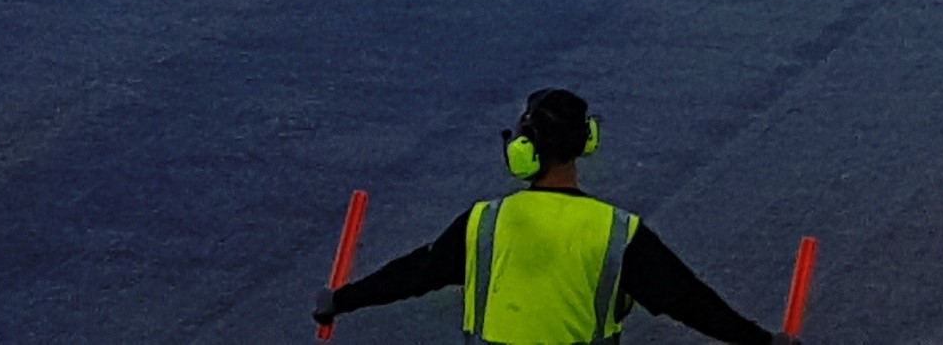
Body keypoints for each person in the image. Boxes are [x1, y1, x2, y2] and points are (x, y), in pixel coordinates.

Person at [319, 89, 785, 343]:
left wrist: (340, 300)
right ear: (587, 143)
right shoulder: (617, 233)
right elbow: (693, 304)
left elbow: (414, 274)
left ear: (523, 151)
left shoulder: (486, 222)